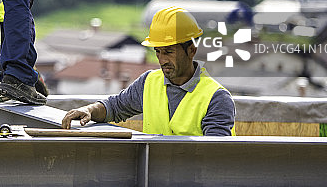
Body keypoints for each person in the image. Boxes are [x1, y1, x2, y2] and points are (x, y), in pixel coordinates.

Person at [61, 7, 236, 135]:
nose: (162, 60)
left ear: (191, 50)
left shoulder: (216, 98)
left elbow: (214, 157)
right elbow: (115, 107)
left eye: (168, 52)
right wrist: (90, 110)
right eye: (158, 52)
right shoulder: (149, 82)